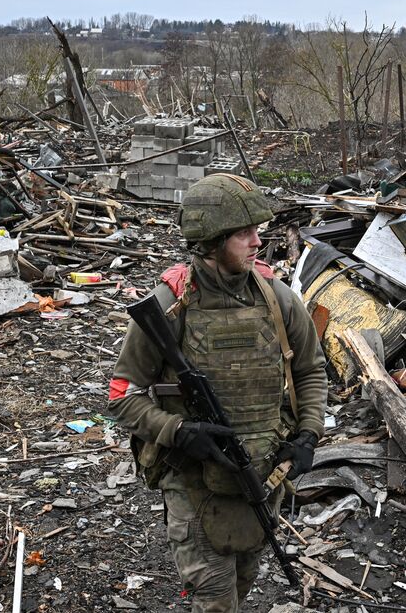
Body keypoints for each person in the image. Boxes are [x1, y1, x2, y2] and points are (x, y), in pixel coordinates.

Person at [108, 173, 327, 613]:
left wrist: (309, 433)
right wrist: (178, 431)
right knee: (214, 598)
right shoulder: (169, 307)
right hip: (192, 479)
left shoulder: (278, 300)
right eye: (243, 233)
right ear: (211, 240)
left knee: (244, 579)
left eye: (257, 230)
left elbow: (310, 370)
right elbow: (122, 396)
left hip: (261, 473)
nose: (257, 241)